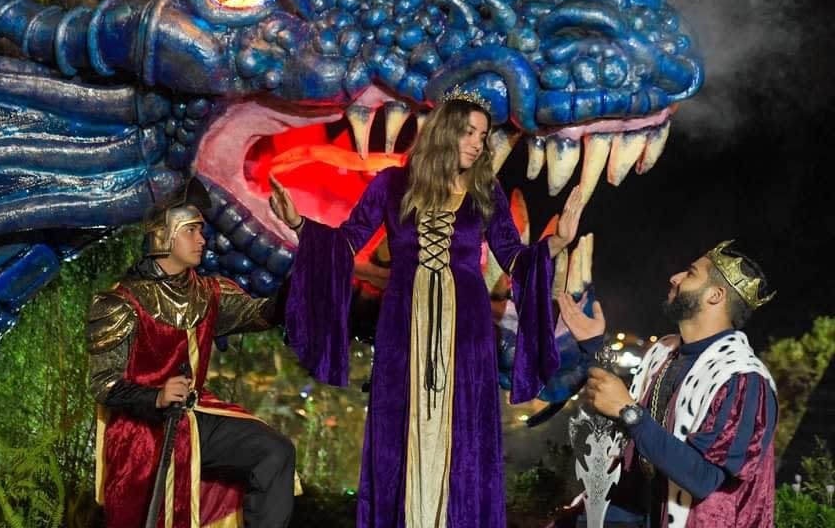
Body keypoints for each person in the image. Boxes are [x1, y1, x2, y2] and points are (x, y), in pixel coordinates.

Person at [269, 89, 586, 528]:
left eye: (483, 135)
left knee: (464, 432)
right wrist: (299, 223)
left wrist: (558, 243)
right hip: (403, 325)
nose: (479, 143)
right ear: (445, 132)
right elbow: (345, 242)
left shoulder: (486, 191)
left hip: (469, 331)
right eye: (470, 133)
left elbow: (514, 257)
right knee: (399, 429)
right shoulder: (392, 185)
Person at [87, 179, 296, 528]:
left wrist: (300, 267)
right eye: (192, 231)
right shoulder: (119, 303)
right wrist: (156, 396)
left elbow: (264, 314)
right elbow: (104, 385)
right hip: (141, 432)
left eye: (202, 230)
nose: (202, 239)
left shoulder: (208, 293)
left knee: (274, 451)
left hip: (196, 418)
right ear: (164, 236)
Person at [557, 240, 778, 528]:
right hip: (638, 509)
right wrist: (593, 346)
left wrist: (628, 411)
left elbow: (703, 478)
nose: (675, 278)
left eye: (690, 273)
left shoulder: (743, 380)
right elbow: (620, 409)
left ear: (715, 295)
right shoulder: (665, 351)